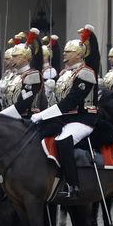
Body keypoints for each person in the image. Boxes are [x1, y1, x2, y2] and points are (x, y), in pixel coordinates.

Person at [31, 24, 100, 199]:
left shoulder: (86, 73)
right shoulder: (65, 73)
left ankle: (73, 185)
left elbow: (71, 101)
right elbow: (58, 100)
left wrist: (42, 114)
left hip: (83, 118)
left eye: (68, 52)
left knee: (63, 140)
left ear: (78, 54)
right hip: (65, 118)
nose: (64, 54)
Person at [1, 29, 44, 119]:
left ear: (25, 58)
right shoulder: (13, 76)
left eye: (15, 56)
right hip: (11, 117)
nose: (12, 59)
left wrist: (1, 116)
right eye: (12, 56)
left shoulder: (32, 75)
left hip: (26, 119)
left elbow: (23, 103)